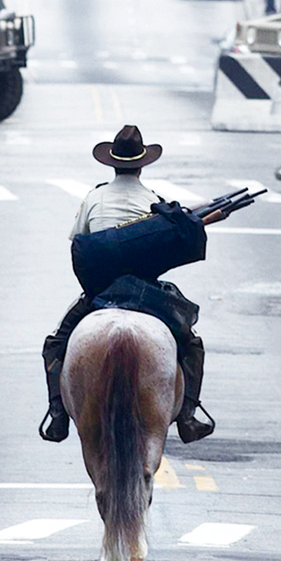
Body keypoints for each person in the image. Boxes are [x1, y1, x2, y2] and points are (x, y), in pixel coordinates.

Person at [40, 123, 217, 446]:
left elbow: (79, 240)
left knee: (56, 344)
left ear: (111, 163)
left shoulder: (94, 198)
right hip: (146, 293)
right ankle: (188, 417)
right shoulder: (154, 201)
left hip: (100, 292)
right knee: (190, 345)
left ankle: (58, 416)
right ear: (141, 165)